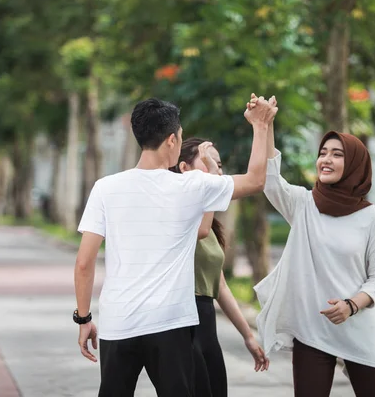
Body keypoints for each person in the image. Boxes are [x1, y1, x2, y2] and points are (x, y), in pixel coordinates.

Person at [72, 96, 276, 397]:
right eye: (180, 137)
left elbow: (84, 263)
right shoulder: (191, 186)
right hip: (170, 324)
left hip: (119, 322)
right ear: (171, 139)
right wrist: (260, 125)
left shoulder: (106, 187)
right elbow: (257, 180)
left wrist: (84, 318)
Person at [249, 95, 375, 396]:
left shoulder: (373, 217)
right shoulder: (304, 204)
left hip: (359, 327)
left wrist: (352, 305)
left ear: (354, 164)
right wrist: (265, 124)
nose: (326, 159)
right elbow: (271, 181)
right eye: (323, 152)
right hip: (312, 332)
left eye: (337, 154)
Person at [170, 137, 270, 397]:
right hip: (183, 321)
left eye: (219, 164)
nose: (218, 170)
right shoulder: (175, 210)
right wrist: (213, 181)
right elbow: (199, 231)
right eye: (208, 162)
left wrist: (248, 336)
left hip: (206, 322)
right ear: (184, 169)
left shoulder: (210, 221)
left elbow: (220, 284)